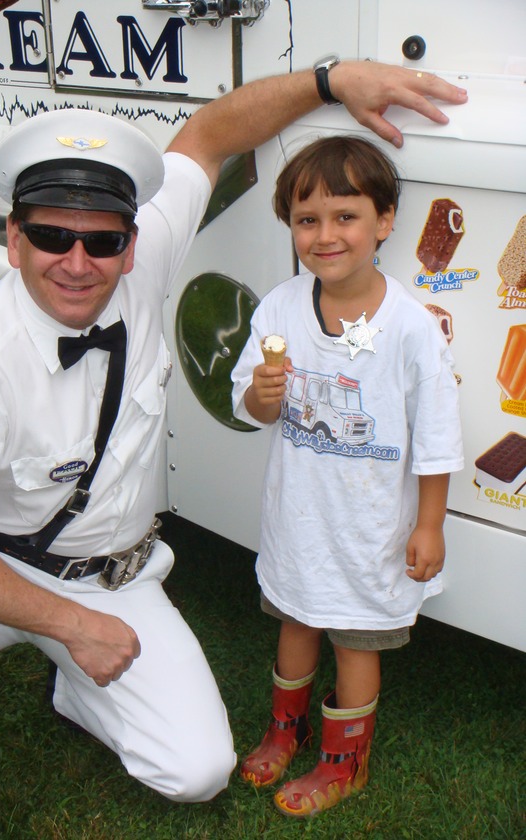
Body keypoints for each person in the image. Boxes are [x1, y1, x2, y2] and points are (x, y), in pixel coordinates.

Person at [0, 61, 467, 840]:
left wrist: (334, 81)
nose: (77, 261)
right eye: (51, 236)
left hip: (113, 574)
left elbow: (209, 133)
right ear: (14, 240)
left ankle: (75, 692)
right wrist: (70, 625)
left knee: (196, 772)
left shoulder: (142, 261)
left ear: (134, 245)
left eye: (101, 241)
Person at [231, 135, 464, 818]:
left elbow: (438, 434)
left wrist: (429, 524)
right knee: (296, 617)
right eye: (308, 220)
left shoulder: (412, 328)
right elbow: (248, 400)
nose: (325, 235)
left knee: (355, 634)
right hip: (299, 516)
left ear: (385, 221)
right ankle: (286, 727)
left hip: (370, 528)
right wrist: (262, 397)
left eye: (345, 216)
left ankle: (345, 760)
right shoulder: (279, 308)